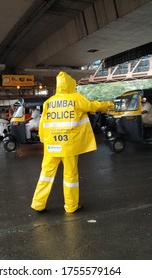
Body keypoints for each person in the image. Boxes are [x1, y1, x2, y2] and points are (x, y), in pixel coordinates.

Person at [31, 71, 114, 213]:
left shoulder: (48, 103)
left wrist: (44, 140)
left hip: (51, 146)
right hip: (68, 146)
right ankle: (71, 206)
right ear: (70, 85)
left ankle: (38, 204)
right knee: (70, 176)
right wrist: (109, 105)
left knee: (45, 174)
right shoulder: (75, 98)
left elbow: (43, 124)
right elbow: (92, 106)